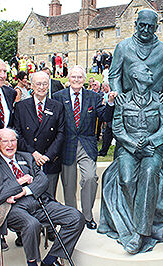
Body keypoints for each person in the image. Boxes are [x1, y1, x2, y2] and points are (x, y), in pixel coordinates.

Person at [100, 61, 163, 254]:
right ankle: (151, 228)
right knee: (126, 180)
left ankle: (139, 234)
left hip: (152, 148)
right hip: (129, 148)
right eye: (146, 71)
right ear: (135, 76)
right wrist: (133, 145)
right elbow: (117, 128)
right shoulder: (123, 101)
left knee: (150, 173)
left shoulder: (159, 100)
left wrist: (151, 141)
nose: (151, 73)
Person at [0, 128, 84, 266]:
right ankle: (32, 263)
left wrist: (24, 191)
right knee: (32, 225)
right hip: (14, 209)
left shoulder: (27, 157)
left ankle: (50, 260)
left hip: (39, 202)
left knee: (76, 217)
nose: (10, 145)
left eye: (13, 140)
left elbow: (43, 181)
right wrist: (18, 182)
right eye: (5, 141)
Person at [53, 65, 117, 230]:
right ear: (68, 78)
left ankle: (87, 216)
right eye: (73, 77)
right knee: (68, 184)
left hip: (86, 145)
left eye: (79, 77)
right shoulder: (58, 97)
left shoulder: (93, 97)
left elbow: (104, 116)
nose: (76, 80)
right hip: (66, 146)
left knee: (89, 177)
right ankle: (72, 217)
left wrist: (110, 102)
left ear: (84, 80)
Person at [13, 71, 65, 197]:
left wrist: (48, 155)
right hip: (28, 160)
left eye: (45, 84)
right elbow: (17, 133)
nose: (41, 87)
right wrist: (34, 153)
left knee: (49, 196)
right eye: (38, 84)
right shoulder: (21, 107)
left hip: (50, 160)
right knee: (30, 197)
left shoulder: (57, 106)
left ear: (49, 85)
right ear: (31, 85)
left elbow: (61, 133)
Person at [109, 9, 163, 105]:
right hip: (128, 104)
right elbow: (114, 75)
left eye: (150, 26)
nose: (146, 30)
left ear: (156, 28)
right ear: (136, 24)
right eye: (142, 25)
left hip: (154, 104)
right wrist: (118, 93)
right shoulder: (122, 47)